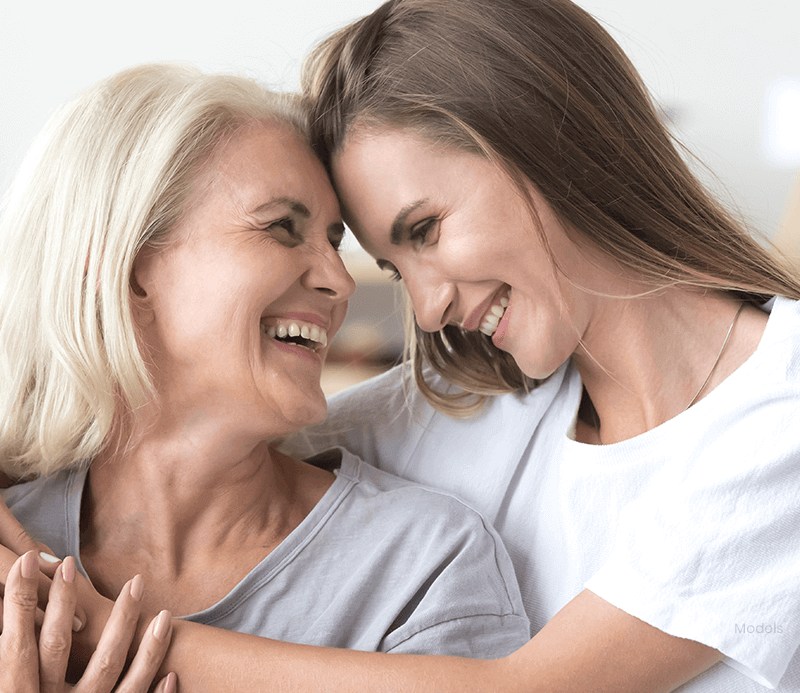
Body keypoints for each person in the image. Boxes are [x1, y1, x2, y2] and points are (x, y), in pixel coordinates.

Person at [3, 1, 799, 691]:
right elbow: (206, 437)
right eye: (391, 262)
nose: (423, 306)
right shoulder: (484, 399)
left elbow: (529, 689)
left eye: (427, 229)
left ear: (545, 143)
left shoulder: (780, 417)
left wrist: (90, 628)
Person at [0, 61, 530, 689]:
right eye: (283, 227)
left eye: (335, 241)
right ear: (130, 270)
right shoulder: (10, 541)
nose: (337, 281)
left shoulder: (423, 565)